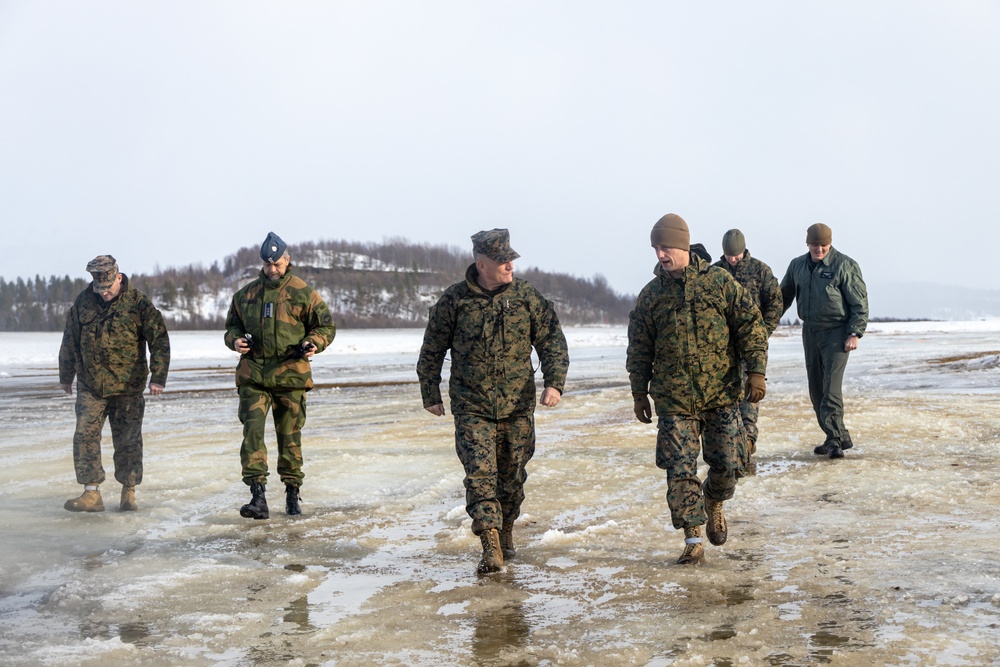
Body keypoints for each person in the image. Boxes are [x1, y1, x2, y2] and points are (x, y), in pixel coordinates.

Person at [417, 228, 569, 574]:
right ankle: (490, 544)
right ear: (481, 263)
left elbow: (552, 343)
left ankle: (507, 529)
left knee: (512, 477)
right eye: (502, 261)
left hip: (517, 407)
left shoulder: (528, 297)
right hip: (472, 407)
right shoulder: (455, 300)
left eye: (511, 260)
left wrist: (554, 384)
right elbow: (432, 350)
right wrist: (431, 393)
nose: (510, 266)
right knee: (480, 477)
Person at [627, 214, 768, 565]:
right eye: (656, 248)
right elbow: (639, 346)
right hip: (674, 399)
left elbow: (750, 324)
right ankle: (693, 538)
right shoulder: (651, 296)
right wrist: (638, 391)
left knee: (730, 464)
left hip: (720, 393)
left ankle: (714, 500)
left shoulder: (718, 282)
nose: (660, 254)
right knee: (679, 470)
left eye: (666, 247)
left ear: (683, 245)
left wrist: (756, 372)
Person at [224, 232, 336, 519]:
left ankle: (292, 493)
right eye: (267, 264)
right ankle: (257, 495)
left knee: (290, 437)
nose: (272, 269)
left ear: (288, 260)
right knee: (252, 434)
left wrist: (314, 343)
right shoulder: (245, 295)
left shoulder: (303, 293)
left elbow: (326, 328)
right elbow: (231, 328)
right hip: (254, 377)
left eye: (277, 263)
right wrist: (235, 341)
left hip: (290, 376)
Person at [58, 255, 170, 513]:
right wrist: (66, 375)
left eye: (108, 289)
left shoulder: (138, 302)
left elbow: (159, 340)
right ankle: (91, 493)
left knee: (128, 441)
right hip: (91, 384)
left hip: (128, 386)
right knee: (85, 435)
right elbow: (70, 339)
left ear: (119, 277)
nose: (104, 294)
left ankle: (128, 491)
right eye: (100, 289)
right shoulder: (84, 302)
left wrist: (158, 377)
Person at [780, 223, 868, 459]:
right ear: (807, 244)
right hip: (810, 331)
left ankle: (834, 440)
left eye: (823, 245)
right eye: (815, 245)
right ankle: (839, 435)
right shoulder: (797, 265)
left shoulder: (844, 265)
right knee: (816, 388)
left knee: (831, 387)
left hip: (837, 332)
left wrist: (854, 332)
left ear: (830, 244)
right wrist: (764, 322)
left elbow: (859, 303)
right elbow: (783, 297)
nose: (819, 250)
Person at [713, 229, 783, 476]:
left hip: (752, 346)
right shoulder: (714, 273)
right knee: (726, 399)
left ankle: (748, 445)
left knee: (750, 397)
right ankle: (732, 448)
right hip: (722, 350)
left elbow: (776, 301)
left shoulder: (760, 271)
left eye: (737, 255)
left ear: (744, 250)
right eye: (729, 255)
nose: (733, 259)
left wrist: (763, 332)